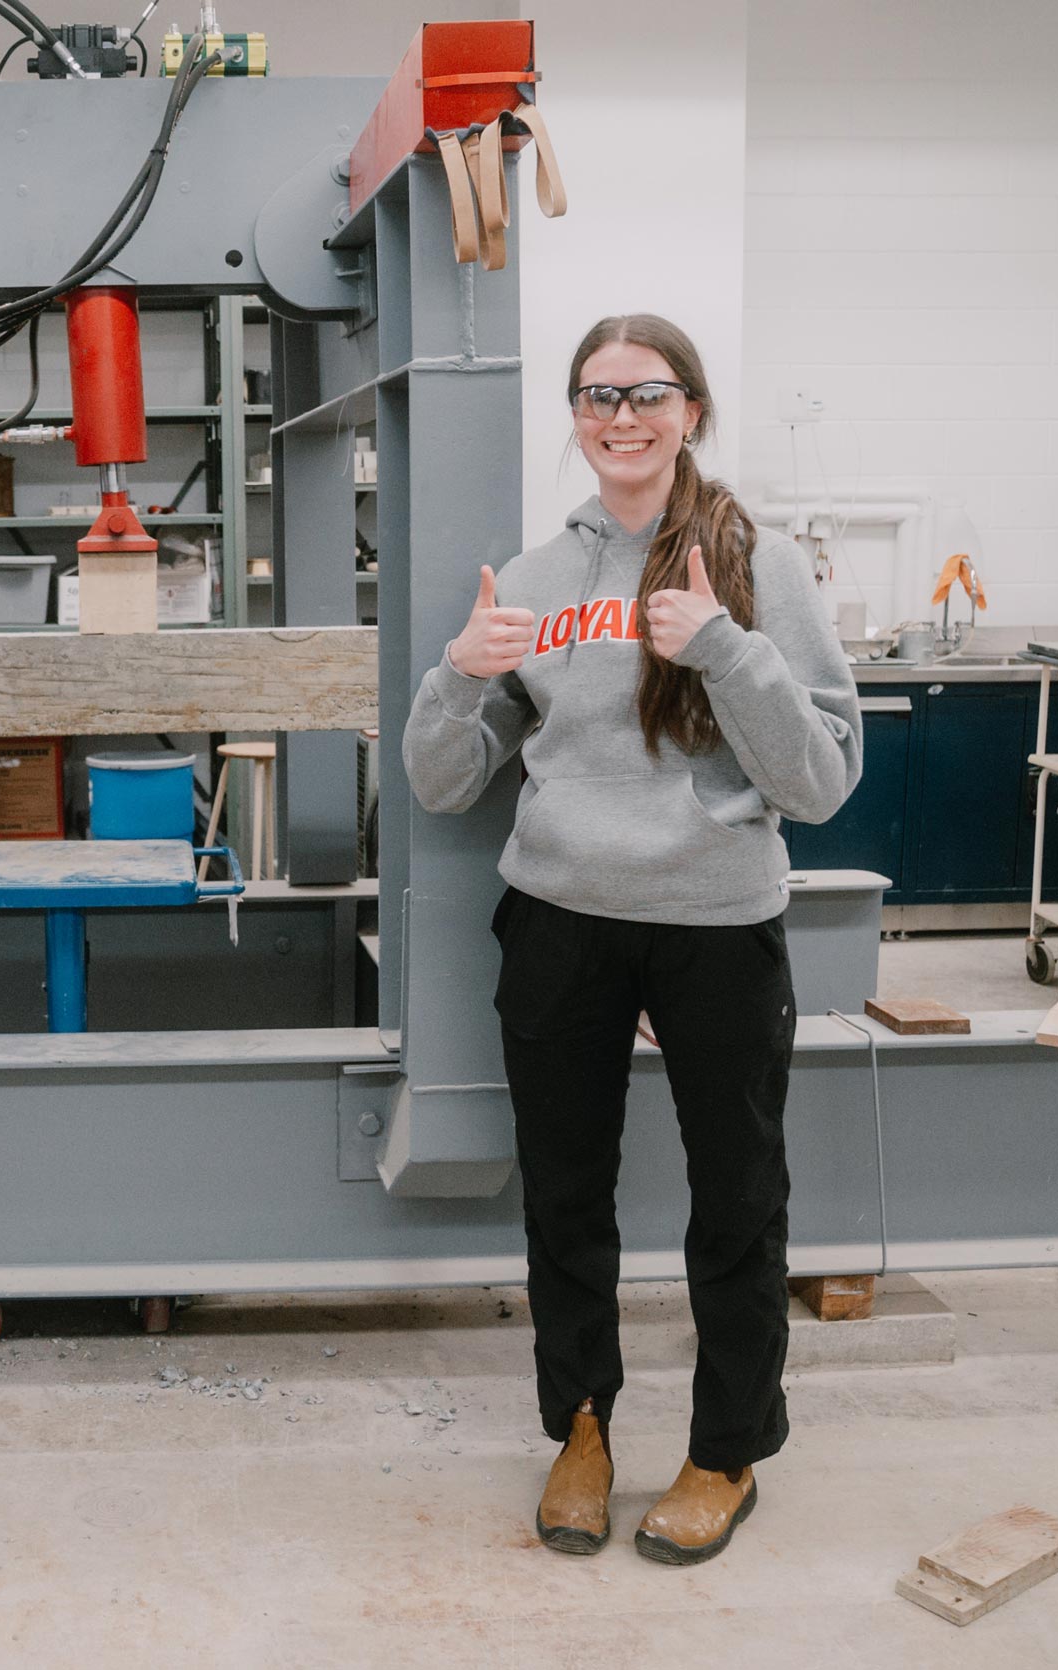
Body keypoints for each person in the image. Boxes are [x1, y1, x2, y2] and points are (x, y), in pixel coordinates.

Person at [402, 314, 861, 1566]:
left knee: (737, 1201)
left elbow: (820, 782)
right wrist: (454, 672)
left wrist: (721, 646)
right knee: (564, 1195)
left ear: (691, 410)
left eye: (647, 393)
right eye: (597, 395)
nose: (621, 416)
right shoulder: (536, 577)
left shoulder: (753, 563)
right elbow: (444, 784)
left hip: (716, 925)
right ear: (575, 413)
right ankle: (583, 1426)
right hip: (560, 926)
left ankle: (724, 1452)